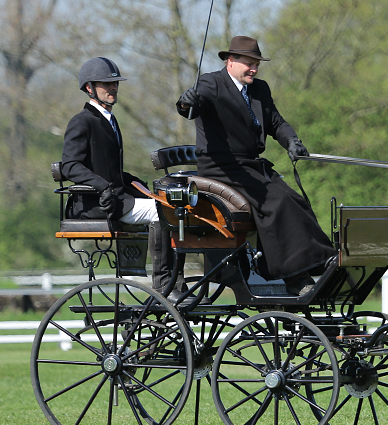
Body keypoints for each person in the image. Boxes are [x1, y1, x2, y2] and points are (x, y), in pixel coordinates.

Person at [176, 36, 336, 296]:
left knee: (294, 199)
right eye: (248, 63)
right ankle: (293, 276)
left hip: (251, 165)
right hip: (221, 167)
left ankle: (317, 261)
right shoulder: (211, 83)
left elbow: (276, 122)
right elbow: (194, 103)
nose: (254, 69)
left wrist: (292, 141)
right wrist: (186, 102)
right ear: (230, 61)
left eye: (256, 64)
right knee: (275, 203)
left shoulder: (259, 89)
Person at [62, 57, 185, 300]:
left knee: (173, 206)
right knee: (162, 212)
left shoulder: (109, 120)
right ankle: (163, 285)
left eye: (115, 83)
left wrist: (134, 182)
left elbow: (108, 169)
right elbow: (69, 165)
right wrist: (102, 186)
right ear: (89, 88)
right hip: (95, 204)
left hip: (118, 197)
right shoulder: (82, 121)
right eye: (106, 84)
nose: (113, 88)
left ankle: (176, 282)